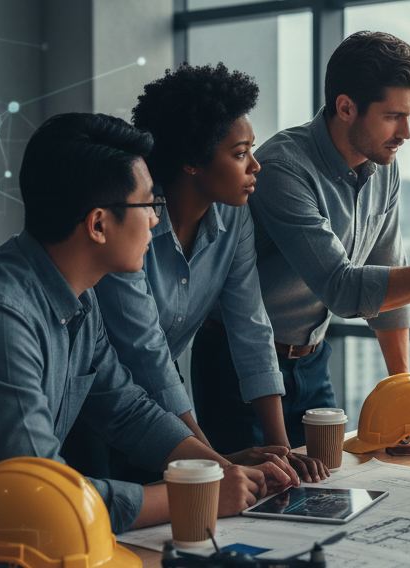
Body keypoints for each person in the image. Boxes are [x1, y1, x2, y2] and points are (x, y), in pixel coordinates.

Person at [0, 113, 291, 547]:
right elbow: (43, 497)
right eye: (149, 205)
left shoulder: (80, 298)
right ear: (99, 224)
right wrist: (194, 493)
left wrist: (218, 470)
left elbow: (128, 410)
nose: (157, 222)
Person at [192, 31, 410, 448]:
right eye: (393, 115)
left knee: (326, 481)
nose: (406, 132)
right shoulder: (283, 168)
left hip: (313, 360)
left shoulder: (383, 164)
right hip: (237, 366)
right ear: (346, 107)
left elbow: (388, 280)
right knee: (252, 499)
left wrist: (404, 392)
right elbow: (345, 290)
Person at [63, 63, 328, 484]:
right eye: (240, 154)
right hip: (96, 402)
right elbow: (143, 349)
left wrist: (280, 449)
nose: (256, 166)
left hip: (162, 396)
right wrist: (214, 465)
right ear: (192, 163)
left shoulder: (235, 217)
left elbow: (251, 326)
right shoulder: (130, 223)